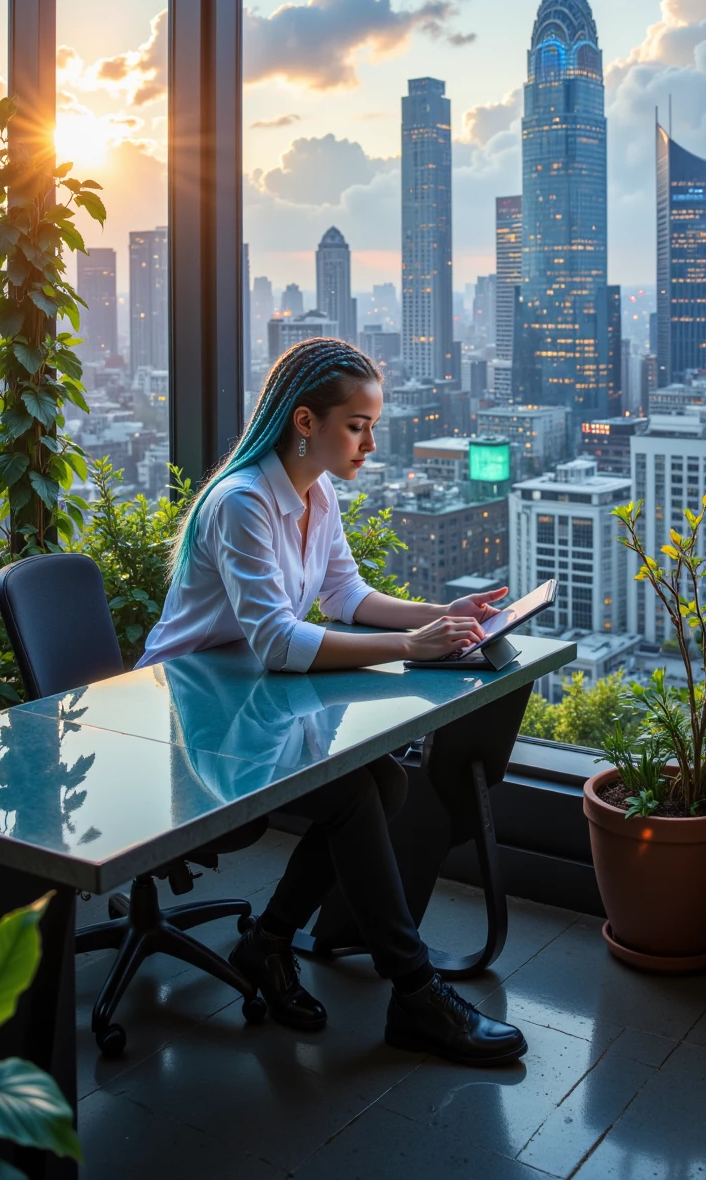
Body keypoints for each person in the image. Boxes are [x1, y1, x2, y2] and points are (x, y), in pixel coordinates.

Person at [138, 336, 527, 1066]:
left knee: (382, 780)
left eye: (373, 426)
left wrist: (443, 614)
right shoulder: (243, 502)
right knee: (355, 791)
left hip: (240, 702)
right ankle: (414, 992)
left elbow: (346, 596)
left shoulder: (317, 495)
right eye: (358, 425)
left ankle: (269, 940)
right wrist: (414, 649)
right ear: (306, 422)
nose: (372, 443)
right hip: (181, 717)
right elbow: (278, 642)